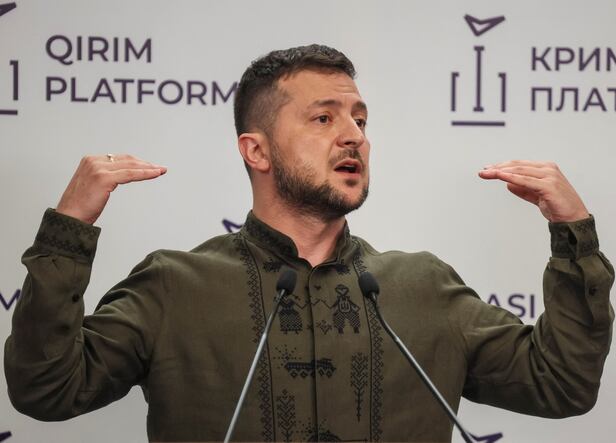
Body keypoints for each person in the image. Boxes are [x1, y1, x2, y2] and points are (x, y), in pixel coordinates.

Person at [4, 44, 614, 443]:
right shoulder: (172, 285)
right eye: (324, 118)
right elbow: (47, 390)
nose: (354, 136)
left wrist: (575, 238)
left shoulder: (424, 287)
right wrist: (68, 230)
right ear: (257, 150)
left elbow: (560, 383)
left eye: (360, 120)